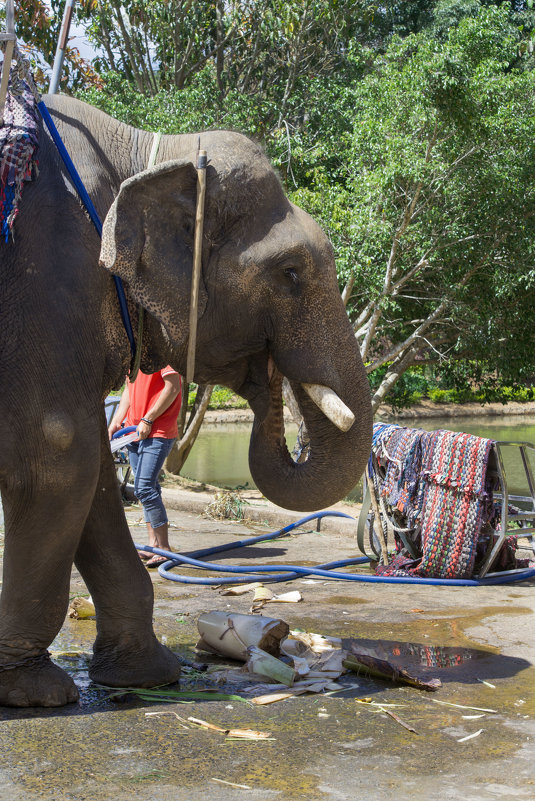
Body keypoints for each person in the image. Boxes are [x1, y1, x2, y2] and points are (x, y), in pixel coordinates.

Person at [108, 367, 182, 568]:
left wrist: (148, 418)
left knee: (144, 488)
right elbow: (128, 389)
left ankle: (164, 548)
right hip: (134, 430)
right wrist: (117, 421)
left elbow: (173, 386)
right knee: (147, 490)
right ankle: (153, 545)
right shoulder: (136, 355)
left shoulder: (162, 354)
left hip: (157, 430)